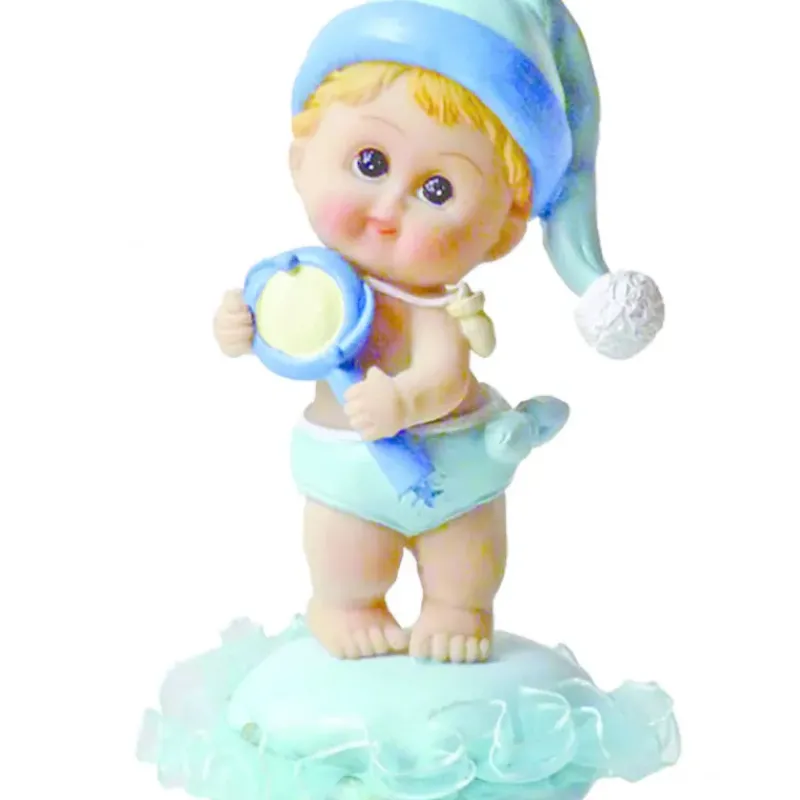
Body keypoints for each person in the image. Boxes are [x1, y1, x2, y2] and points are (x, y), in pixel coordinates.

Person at [212, 0, 665, 663]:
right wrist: (240, 326)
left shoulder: (435, 308)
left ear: (503, 229)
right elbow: (278, 338)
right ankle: (346, 606)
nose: (389, 207)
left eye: (437, 190)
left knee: (465, 557)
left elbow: (443, 373)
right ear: (301, 159)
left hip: (452, 467)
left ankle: (458, 610)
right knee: (344, 552)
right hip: (350, 472)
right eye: (370, 163)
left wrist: (405, 401)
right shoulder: (303, 282)